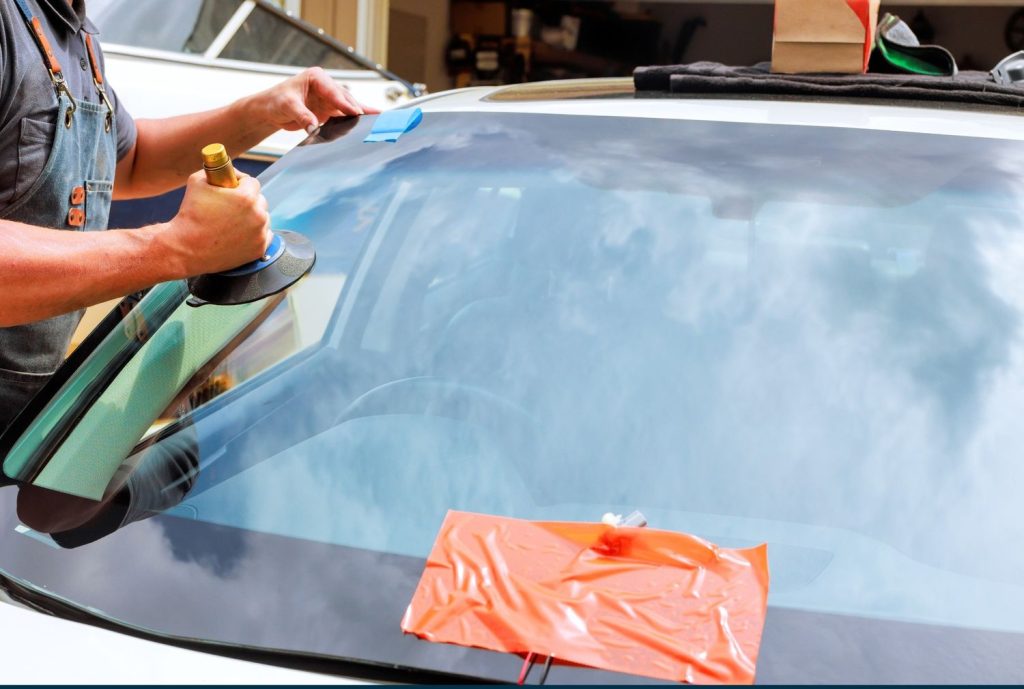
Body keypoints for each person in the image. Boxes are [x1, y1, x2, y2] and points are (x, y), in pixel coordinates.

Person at [0, 0, 377, 434]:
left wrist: (262, 113)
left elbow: (132, 158)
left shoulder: (72, 32)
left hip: (24, 432)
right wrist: (177, 249)